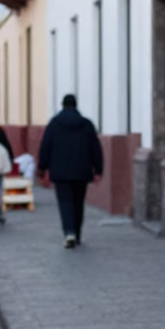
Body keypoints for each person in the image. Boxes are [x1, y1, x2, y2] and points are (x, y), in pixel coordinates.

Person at [38, 94, 104, 248]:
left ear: (62, 105)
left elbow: (45, 146)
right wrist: (98, 169)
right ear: (75, 105)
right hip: (82, 171)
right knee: (78, 202)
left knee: (65, 202)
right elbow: (96, 148)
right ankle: (77, 233)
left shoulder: (54, 124)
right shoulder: (87, 125)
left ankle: (69, 232)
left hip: (60, 172)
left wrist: (42, 168)